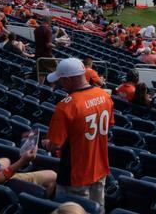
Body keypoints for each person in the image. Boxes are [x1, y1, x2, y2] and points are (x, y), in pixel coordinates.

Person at [43, 58, 114, 212]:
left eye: (61, 80)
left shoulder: (66, 106)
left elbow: (55, 144)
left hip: (76, 172)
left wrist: (46, 143)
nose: (60, 84)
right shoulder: (105, 96)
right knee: (97, 209)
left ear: (68, 80)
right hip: (100, 166)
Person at [34, 17, 55, 85]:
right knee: (55, 72)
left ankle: (40, 87)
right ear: (48, 22)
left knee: (42, 73)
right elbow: (48, 44)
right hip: (46, 55)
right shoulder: (47, 30)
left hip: (38, 53)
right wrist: (57, 45)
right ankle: (52, 90)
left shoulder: (36, 29)